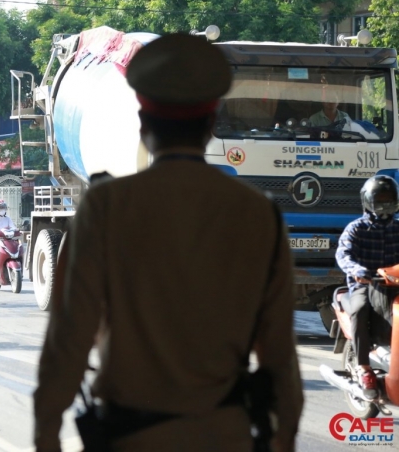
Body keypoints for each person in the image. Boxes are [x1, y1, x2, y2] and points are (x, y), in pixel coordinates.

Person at [34, 33, 303, 452]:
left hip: (130, 437)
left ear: (143, 124)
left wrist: (46, 435)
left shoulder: (107, 207)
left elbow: (68, 342)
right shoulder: (257, 213)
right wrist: (282, 439)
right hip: (225, 435)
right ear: (212, 124)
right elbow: (279, 358)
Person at [336, 175, 399, 399]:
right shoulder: (356, 229)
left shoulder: (398, 229)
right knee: (360, 308)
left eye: (389, 199)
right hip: (365, 285)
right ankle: (364, 367)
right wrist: (358, 271)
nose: (384, 205)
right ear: (367, 201)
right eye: (379, 199)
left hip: (395, 286)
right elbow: (343, 255)